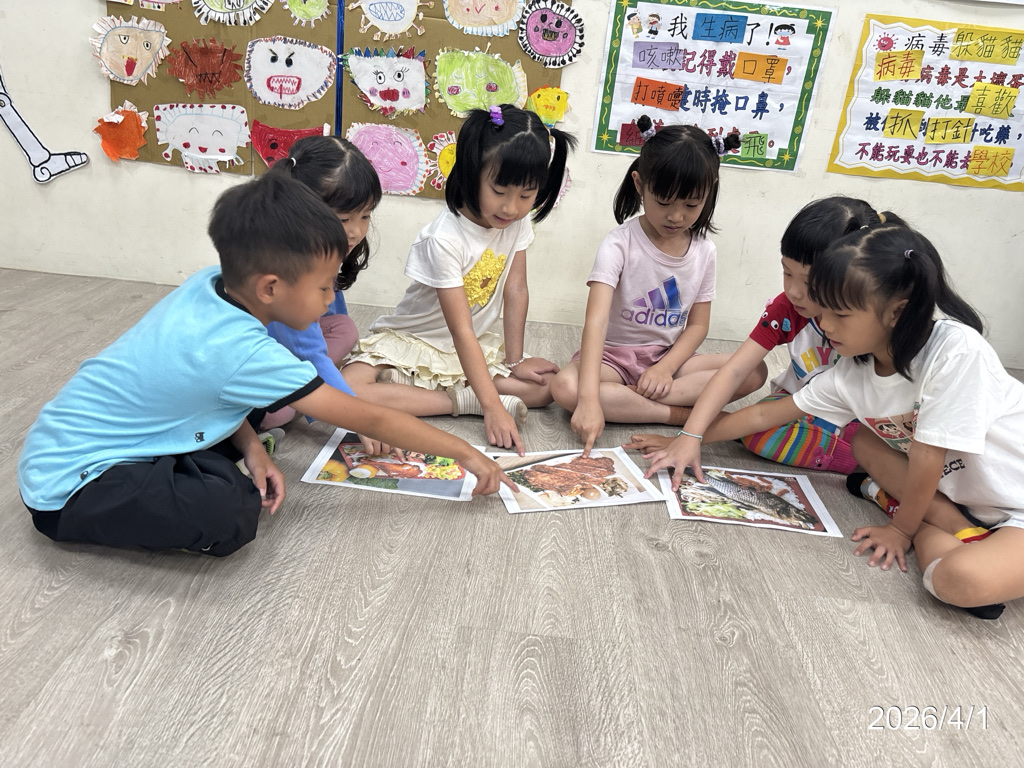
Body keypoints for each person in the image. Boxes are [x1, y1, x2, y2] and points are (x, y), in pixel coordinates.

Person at [17, 169, 515, 557]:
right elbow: (372, 417)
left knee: (251, 425)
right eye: (324, 287)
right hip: (69, 485)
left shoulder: (209, 283)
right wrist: (467, 454)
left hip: (97, 437)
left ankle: (208, 461)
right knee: (230, 511)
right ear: (270, 288)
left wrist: (253, 449)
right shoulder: (247, 352)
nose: (331, 301)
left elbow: (215, 389)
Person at [641, 219, 1024, 619]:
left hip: (1011, 502)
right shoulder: (851, 373)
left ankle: (912, 516)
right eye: (824, 310)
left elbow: (929, 457)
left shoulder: (955, 351)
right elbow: (765, 413)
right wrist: (689, 439)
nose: (824, 325)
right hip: (964, 500)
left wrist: (901, 531)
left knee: (958, 582)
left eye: (839, 314)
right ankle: (943, 523)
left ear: (897, 312)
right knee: (865, 443)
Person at [342, 104, 575, 456]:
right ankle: (463, 401)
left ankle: (428, 390)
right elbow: (459, 328)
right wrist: (491, 407)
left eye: (526, 196)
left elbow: (516, 289)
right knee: (349, 390)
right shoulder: (444, 237)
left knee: (546, 389)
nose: (511, 208)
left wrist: (515, 361)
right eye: (499, 191)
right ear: (471, 172)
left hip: (470, 345)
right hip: (417, 339)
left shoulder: (516, 223)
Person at [550, 116, 760, 455]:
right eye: (663, 202)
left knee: (754, 371)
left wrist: (664, 368)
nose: (676, 216)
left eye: (691, 204)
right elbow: (596, 323)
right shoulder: (619, 244)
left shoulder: (705, 251)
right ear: (639, 183)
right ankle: (677, 414)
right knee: (565, 388)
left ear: (709, 191)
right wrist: (588, 401)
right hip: (613, 360)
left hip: (669, 359)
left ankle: (634, 402)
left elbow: (698, 325)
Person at [627, 197, 880, 472]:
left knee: (760, 433)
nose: (794, 292)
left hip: (864, 418)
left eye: (810, 283)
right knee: (755, 426)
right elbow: (735, 371)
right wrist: (688, 437)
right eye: (787, 273)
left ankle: (865, 461)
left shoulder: (873, 328)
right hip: (799, 402)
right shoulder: (787, 309)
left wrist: (691, 437)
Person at [261, 135, 382, 432]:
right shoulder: (290, 272)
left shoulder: (317, 250)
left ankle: (310, 385)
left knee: (344, 327)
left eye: (365, 216)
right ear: (302, 212)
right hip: (252, 360)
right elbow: (311, 353)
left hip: (279, 348)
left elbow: (326, 318)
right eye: (343, 219)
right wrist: (356, 417)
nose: (356, 231)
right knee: (279, 413)